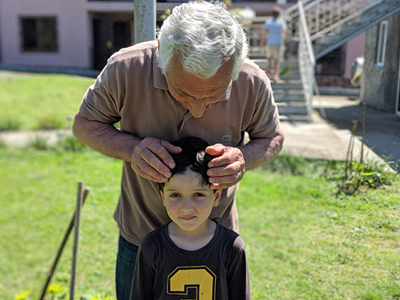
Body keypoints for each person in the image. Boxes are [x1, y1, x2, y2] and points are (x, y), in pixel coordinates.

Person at [72, 1, 284, 299]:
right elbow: (85, 124)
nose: (197, 110)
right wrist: (132, 148)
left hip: (215, 240)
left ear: (233, 69)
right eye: (183, 92)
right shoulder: (126, 68)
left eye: (213, 95)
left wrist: (244, 158)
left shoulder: (250, 80)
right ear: (162, 56)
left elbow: (272, 138)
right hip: (140, 237)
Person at [131, 137, 250, 299]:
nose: (186, 207)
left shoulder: (232, 247)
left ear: (216, 197)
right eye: (175, 195)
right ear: (163, 197)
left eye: (198, 194)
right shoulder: (151, 246)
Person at [259, 6, 288, 83]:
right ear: (279, 14)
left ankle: (268, 71)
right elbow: (285, 32)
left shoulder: (268, 22)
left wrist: (261, 45)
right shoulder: (281, 22)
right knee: (277, 61)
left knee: (269, 58)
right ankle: (275, 76)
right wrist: (286, 41)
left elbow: (264, 34)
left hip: (269, 42)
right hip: (278, 42)